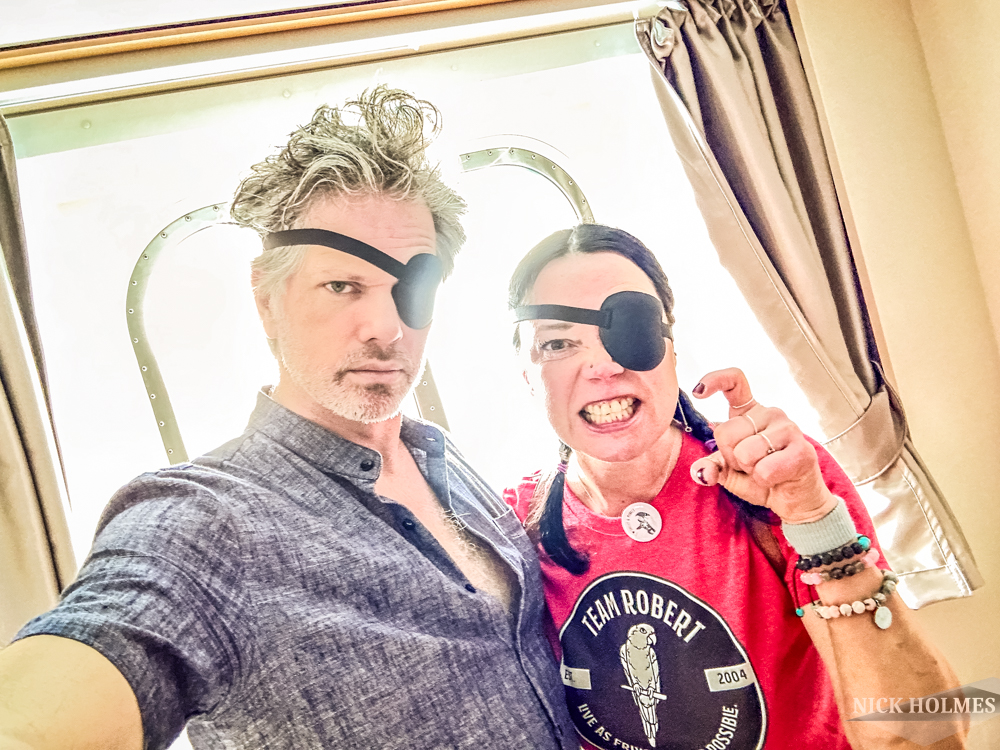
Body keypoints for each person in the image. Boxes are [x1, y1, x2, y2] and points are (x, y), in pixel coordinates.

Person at [0, 88, 577, 750]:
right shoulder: (209, 525)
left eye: (410, 288)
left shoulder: (442, 457)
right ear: (267, 299)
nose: (387, 328)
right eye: (343, 286)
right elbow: (94, 654)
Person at [503, 224, 964, 750]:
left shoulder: (773, 477)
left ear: (671, 352)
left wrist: (811, 516)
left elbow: (929, 739)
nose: (605, 366)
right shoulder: (513, 524)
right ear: (526, 374)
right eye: (558, 343)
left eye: (629, 328)